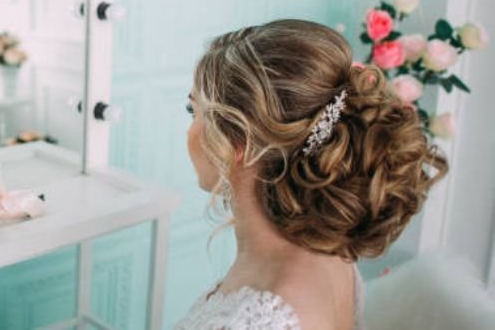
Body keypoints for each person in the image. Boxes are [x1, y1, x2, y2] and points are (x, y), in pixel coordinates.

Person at [175, 19, 447, 330]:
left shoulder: (256, 321)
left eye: (193, 112)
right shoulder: (331, 252)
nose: (189, 130)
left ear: (238, 141)